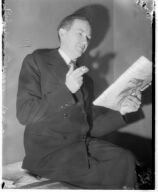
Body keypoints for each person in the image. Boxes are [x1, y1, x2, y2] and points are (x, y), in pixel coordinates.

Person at [16, 14, 142, 189]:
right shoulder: (36, 61)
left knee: (125, 158)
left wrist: (122, 110)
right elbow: (24, 114)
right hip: (48, 152)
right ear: (62, 33)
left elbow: (91, 127)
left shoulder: (86, 79)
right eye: (80, 33)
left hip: (79, 145)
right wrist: (66, 90)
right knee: (104, 173)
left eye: (88, 37)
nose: (85, 40)